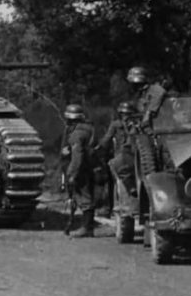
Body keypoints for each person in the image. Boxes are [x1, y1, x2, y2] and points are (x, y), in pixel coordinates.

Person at [97, 102, 140, 218]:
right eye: (124, 114)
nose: (126, 116)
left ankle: (117, 207)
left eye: (128, 114)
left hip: (130, 156)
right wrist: (99, 148)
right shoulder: (117, 125)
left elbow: (107, 139)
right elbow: (107, 139)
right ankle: (111, 208)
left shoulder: (135, 125)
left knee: (118, 183)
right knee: (115, 183)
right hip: (124, 157)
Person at [60, 103, 96, 238]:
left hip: (81, 169)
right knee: (87, 196)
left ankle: (87, 228)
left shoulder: (76, 134)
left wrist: (71, 174)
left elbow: (77, 156)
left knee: (84, 198)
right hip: (90, 166)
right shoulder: (89, 129)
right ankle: (87, 227)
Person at [127, 66, 167, 132]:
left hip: (161, 126)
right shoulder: (138, 94)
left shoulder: (154, 89)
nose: (132, 86)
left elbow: (161, 91)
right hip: (145, 129)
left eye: (134, 84)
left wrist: (149, 112)